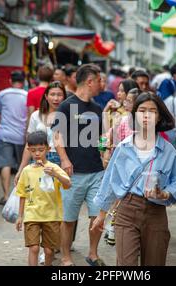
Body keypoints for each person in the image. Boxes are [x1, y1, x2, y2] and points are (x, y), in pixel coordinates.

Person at [91, 92, 176, 266]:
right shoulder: (123, 147)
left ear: (158, 117)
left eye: (152, 111)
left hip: (156, 212)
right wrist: (102, 215)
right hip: (127, 210)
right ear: (134, 115)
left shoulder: (168, 150)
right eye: (142, 110)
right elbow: (110, 180)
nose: (147, 115)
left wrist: (165, 194)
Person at [52, 63, 106, 266]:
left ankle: (93, 253)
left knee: (97, 216)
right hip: (73, 172)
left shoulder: (97, 108)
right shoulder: (66, 105)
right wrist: (65, 160)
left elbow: (101, 137)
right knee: (68, 218)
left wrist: (105, 152)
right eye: (99, 80)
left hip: (96, 172)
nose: (102, 84)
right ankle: (66, 257)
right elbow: (57, 136)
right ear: (89, 81)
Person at [15, 131, 71, 266]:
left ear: (48, 149)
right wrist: (20, 216)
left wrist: (56, 175)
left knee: (49, 251)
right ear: (29, 150)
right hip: (32, 215)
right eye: (33, 151)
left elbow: (68, 184)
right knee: (33, 248)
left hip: (51, 216)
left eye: (40, 150)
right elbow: (22, 193)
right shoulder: (27, 171)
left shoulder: (53, 168)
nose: (37, 154)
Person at [14, 81, 67, 185]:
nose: (56, 98)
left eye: (59, 95)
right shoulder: (36, 115)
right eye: (52, 94)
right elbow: (29, 145)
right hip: (38, 158)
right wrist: (21, 169)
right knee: (37, 194)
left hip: (60, 159)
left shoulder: (68, 116)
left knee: (56, 195)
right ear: (46, 96)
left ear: (64, 97)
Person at [0, 70, 28, 205]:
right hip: (21, 135)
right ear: (23, 81)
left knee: (5, 164)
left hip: (5, 134)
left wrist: (1, 124)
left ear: (10, 81)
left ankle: (6, 195)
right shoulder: (26, 95)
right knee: (22, 166)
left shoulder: (3, 94)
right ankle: (20, 196)